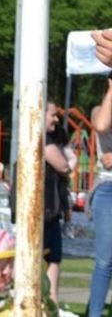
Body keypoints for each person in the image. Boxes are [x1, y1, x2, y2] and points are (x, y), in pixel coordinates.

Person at [43, 101, 71, 306]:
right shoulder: (43, 141)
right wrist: (69, 164)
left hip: (50, 210)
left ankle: (51, 303)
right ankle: (50, 301)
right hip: (44, 210)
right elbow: (63, 166)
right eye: (52, 114)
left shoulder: (51, 139)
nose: (56, 118)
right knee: (50, 257)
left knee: (53, 257)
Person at [89, 78, 112, 317]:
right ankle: (94, 313)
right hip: (108, 188)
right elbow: (102, 125)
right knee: (105, 260)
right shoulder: (100, 109)